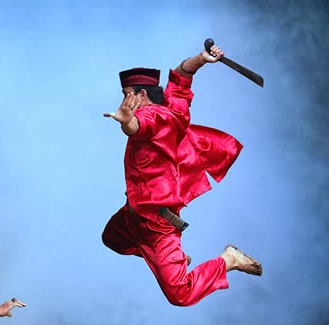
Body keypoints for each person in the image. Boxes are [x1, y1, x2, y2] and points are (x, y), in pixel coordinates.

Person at [101, 43, 262, 307]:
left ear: (141, 95)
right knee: (112, 238)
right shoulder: (174, 109)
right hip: (135, 213)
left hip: (158, 225)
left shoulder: (154, 117)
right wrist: (202, 58)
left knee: (180, 295)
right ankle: (171, 261)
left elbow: (139, 126)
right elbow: (181, 77)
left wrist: (126, 122)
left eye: (126, 94)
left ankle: (228, 260)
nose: (124, 100)